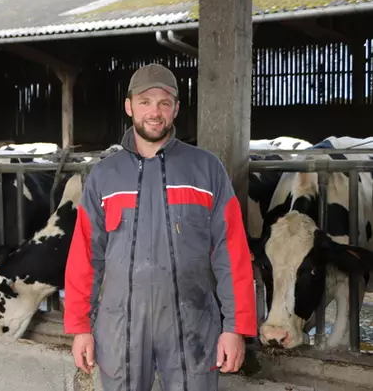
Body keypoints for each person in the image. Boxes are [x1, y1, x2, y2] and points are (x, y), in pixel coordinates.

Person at [64, 63, 257, 391]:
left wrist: (235, 327)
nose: (154, 112)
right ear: (128, 107)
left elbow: (232, 251)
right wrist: (80, 327)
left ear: (176, 109)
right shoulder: (104, 175)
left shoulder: (206, 169)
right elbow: (85, 255)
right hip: (120, 324)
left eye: (164, 103)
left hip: (191, 322)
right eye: (145, 102)